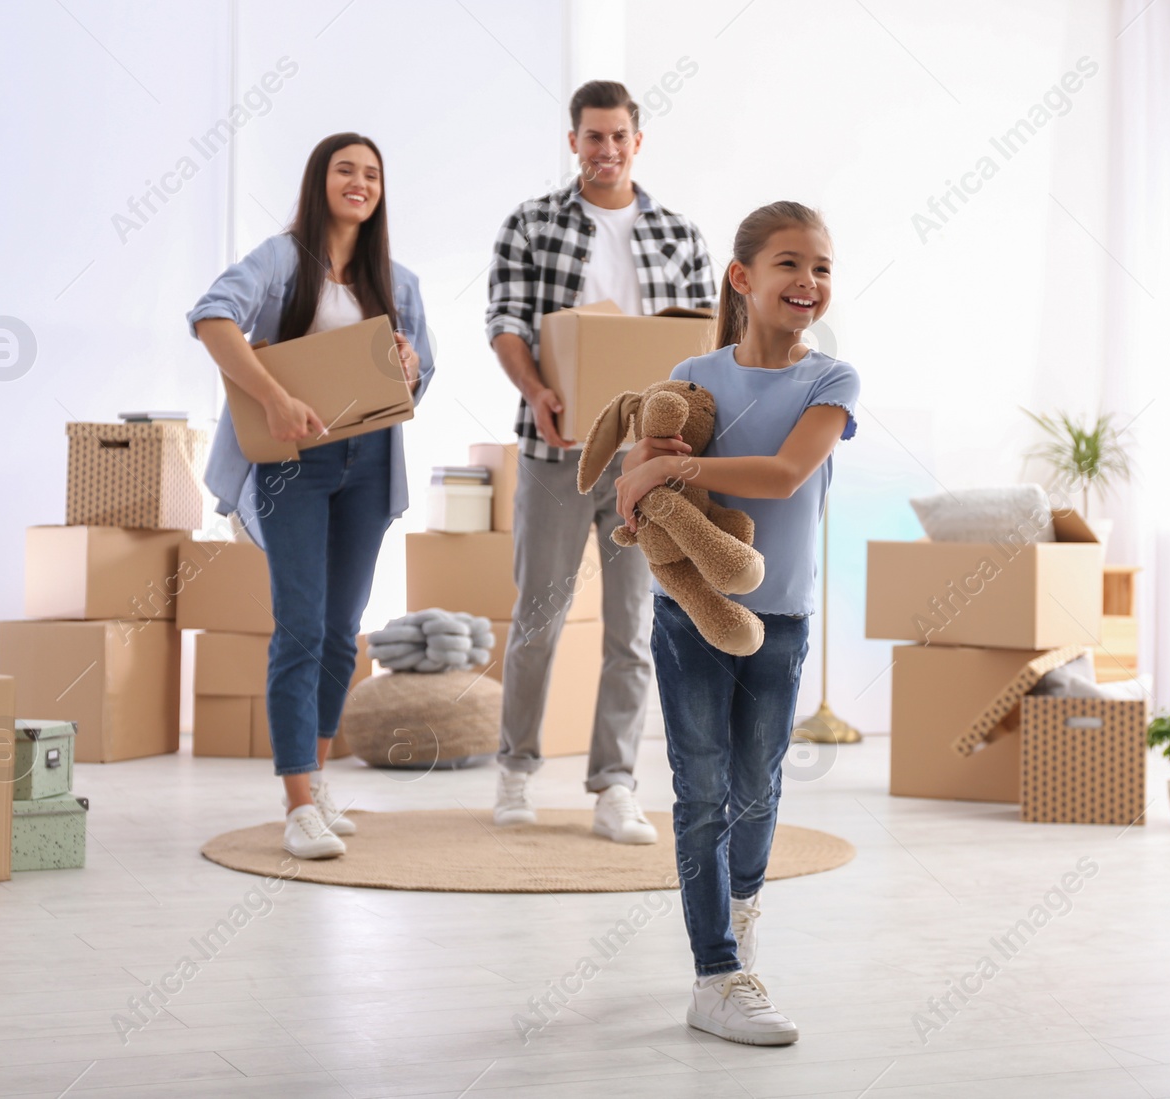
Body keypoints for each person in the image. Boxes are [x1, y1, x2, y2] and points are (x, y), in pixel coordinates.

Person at [613, 202, 859, 1045]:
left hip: (780, 615)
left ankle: (739, 911)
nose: (809, 282)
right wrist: (642, 473)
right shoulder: (692, 372)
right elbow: (638, 464)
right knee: (704, 788)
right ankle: (715, 972)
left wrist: (670, 470)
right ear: (743, 277)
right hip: (690, 613)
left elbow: (787, 473)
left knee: (758, 787)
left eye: (822, 268)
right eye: (791, 264)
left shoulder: (831, 380)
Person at [188, 133, 433, 860]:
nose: (359, 183)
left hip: (369, 462)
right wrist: (273, 397)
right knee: (298, 624)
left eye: (371, 174)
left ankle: (318, 776)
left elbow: (418, 372)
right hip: (296, 462)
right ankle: (297, 801)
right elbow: (211, 316)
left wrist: (411, 363)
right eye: (345, 170)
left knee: (339, 629)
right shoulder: (281, 258)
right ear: (319, 180)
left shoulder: (396, 278)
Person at [484, 80, 716, 842]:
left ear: (637, 141)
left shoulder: (679, 235)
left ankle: (615, 783)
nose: (606, 149)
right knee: (538, 618)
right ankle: (515, 770)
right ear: (574, 141)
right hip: (554, 451)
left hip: (642, 462)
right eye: (593, 136)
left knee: (635, 623)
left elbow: (702, 348)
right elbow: (507, 321)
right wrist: (537, 390)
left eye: (618, 136)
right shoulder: (532, 223)